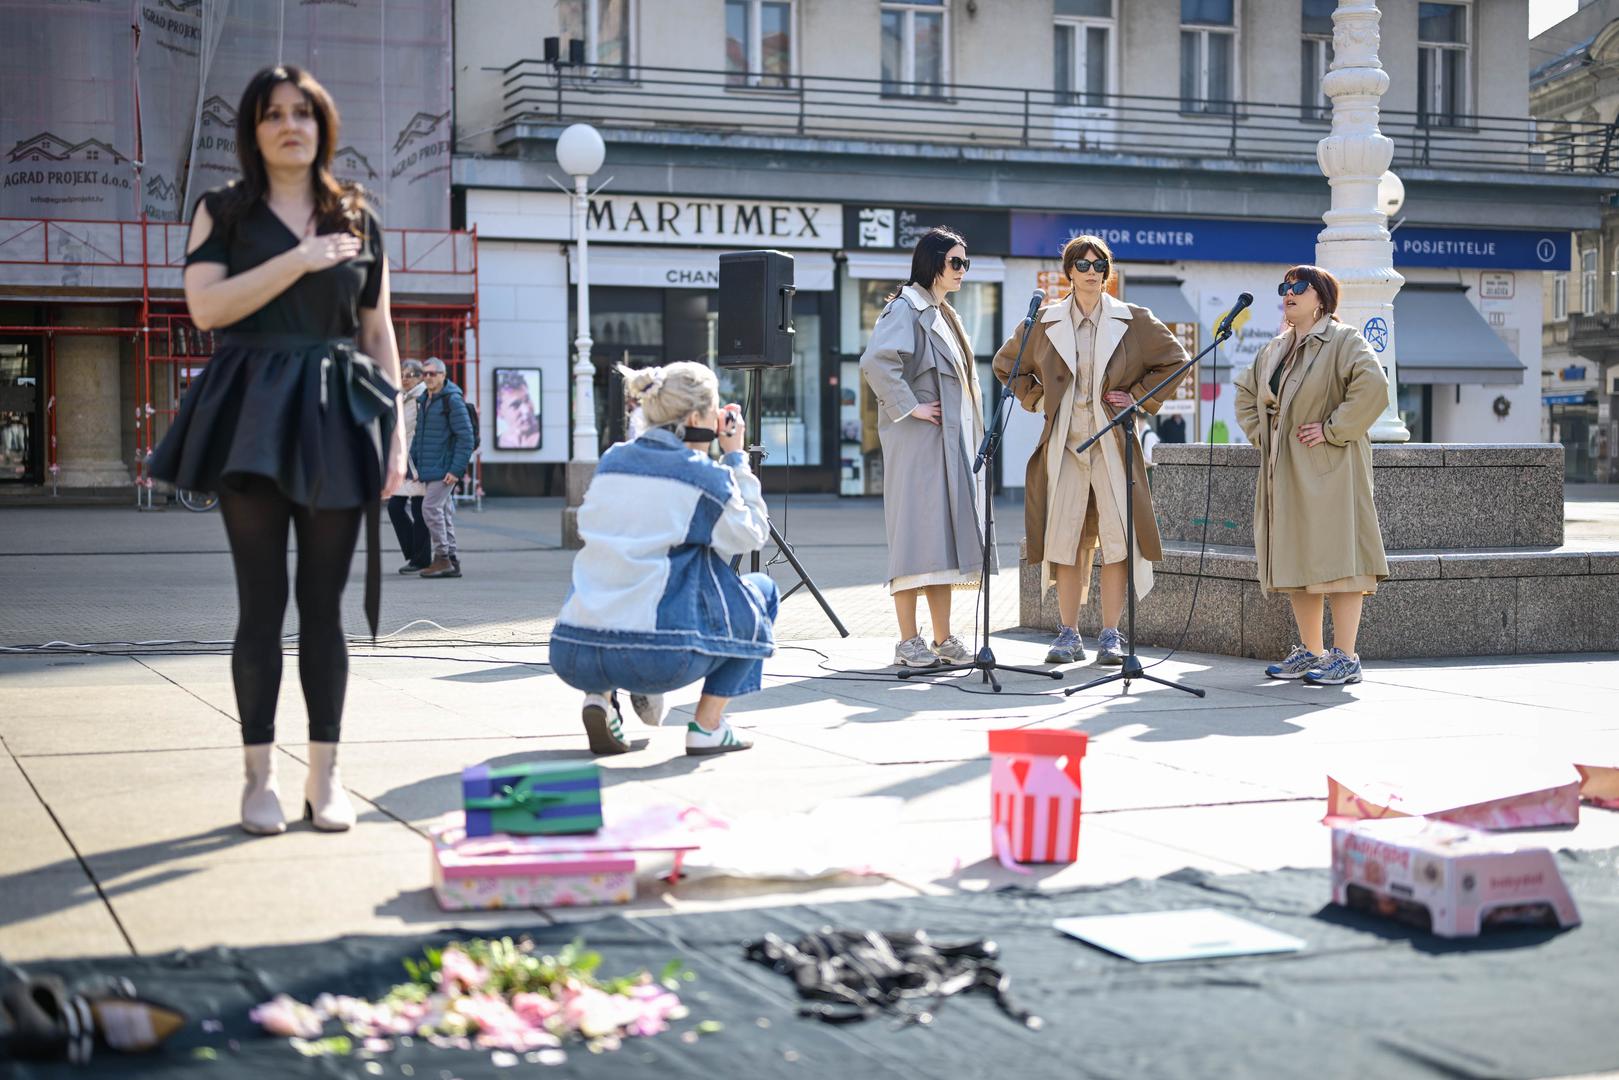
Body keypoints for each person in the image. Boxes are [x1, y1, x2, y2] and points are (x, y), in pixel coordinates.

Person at [147, 65, 406, 835]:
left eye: (303, 112)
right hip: (250, 413)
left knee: (324, 610)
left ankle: (325, 779)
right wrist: (298, 260)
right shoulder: (222, 210)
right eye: (272, 114)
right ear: (252, 130)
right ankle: (257, 778)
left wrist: (394, 438)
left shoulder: (358, 215)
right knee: (261, 606)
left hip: (337, 416)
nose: (289, 125)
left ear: (324, 124)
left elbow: (377, 332)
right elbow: (206, 307)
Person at [550, 361, 775, 758]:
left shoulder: (612, 460)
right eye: (715, 410)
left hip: (573, 649)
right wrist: (735, 458)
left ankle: (600, 697)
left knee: (617, 560)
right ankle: (708, 727)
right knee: (762, 590)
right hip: (659, 655)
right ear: (695, 418)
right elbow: (753, 534)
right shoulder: (704, 477)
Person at [993, 235, 1190, 666]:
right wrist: (1040, 400)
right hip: (1064, 443)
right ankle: (1067, 633)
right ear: (1069, 271)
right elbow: (1006, 364)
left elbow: (1176, 361)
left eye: (1099, 263)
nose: (1092, 270)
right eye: (1082, 264)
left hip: (1113, 441)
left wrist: (1137, 397)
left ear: (1108, 270)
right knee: (1066, 540)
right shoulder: (1043, 321)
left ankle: (1110, 635)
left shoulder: (1133, 319)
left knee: (1119, 541)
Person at [1234, 265, 1389, 686]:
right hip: (1285, 468)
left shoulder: (1343, 340)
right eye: (1284, 287)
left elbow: (1373, 386)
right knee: (1298, 557)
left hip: (1332, 469)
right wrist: (1264, 436)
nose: (1288, 293)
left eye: (1299, 287)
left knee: (1341, 561)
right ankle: (1311, 651)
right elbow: (1247, 395)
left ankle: (1346, 656)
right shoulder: (1275, 349)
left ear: (1321, 297)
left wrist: (1333, 429)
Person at [858, 227, 989, 668]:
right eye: (956, 262)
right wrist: (910, 407)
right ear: (932, 262)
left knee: (942, 543)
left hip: (944, 443)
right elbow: (876, 361)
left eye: (965, 263)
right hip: (919, 445)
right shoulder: (906, 309)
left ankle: (943, 637)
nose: (962, 271)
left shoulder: (943, 312)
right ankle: (907, 640)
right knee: (915, 537)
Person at [412, 356, 472, 579]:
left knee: (430, 509)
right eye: (424, 373)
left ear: (443, 375)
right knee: (443, 511)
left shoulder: (452, 400)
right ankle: (452, 559)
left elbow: (465, 437)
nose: (427, 377)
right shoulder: (425, 399)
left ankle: (442, 558)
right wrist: (414, 461)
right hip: (431, 466)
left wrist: (456, 470)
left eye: (432, 373)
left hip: (445, 468)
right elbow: (419, 435)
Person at [387, 359, 431, 573]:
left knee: (418, 507)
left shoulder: (422, 397)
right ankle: (416, 554)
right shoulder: (404, 396)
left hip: (419, 460)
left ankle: (421, 558)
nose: (404, 378)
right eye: (402, 374)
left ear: (420, 376)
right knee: (395, 507)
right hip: (405, 459)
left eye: (409, 375)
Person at [496, 369, 541, 449]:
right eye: (515, 405)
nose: (526, 410)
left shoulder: (551, 431)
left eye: (527, 400)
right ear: (499, 412)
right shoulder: (498, 442)